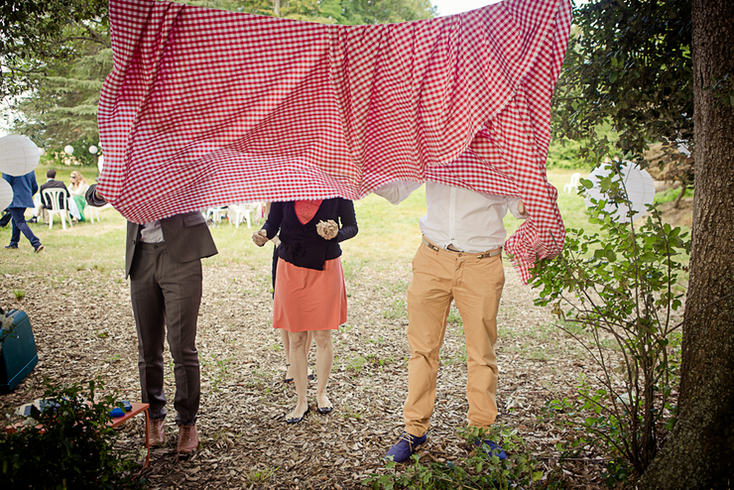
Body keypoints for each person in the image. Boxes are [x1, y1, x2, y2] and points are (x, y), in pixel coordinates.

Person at [376, 181, 528, 463]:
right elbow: (396, 192)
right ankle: (414, 430)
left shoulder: (497, 153)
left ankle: (481, 432)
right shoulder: (435, 149)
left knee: (481, 353)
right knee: (422, 350)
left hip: (482, 263)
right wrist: (363, 172)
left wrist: (534, 197)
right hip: (432, 259)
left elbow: (519, 206)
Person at [252, 198, 358, 423]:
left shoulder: (337, 188)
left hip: (326, 267)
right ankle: (301, 401)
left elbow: (352, 226)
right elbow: (273, 223)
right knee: (297, 338)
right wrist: (262, 233)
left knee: (322, 336)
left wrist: (336, 233)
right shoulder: (287, 187)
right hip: (291, 266)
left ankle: (321, 392)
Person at [123, 211, 217, 454]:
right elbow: (97, 193)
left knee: (182, 347)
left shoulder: (184, 169)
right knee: (148, 347)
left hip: (181, 253)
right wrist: (102, 191)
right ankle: (154, 416)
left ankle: (187, 422)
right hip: (141, 255)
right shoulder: (128, 170)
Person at [3, 171, 44, 252]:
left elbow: (5, 185)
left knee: (19, 221)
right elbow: (35, 186)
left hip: (15, 199)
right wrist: (27, 195)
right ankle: (13, 243)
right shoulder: (29, 169)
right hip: (25, 199)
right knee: (16, 219)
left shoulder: (8, 168)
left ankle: (36, 243)